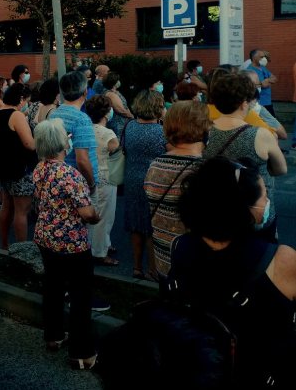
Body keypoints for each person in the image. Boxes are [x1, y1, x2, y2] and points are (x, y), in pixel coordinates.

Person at [168, 157, 296, 390]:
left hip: (200, 368)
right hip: (258, 375)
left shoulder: (180, 246)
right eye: (263, 195)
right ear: (241, 208)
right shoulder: (282, 259)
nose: (267, 200)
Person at [32, 118, 100, 370]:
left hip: (45, 236)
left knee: (53, 286)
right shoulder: (70, 175)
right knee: (81, 295)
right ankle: (82, 353)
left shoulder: (40, 168)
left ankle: (54, 335)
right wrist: (96, 215)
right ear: (63, 143)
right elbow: (86, 213)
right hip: (71, 243)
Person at [202, 72, 286, 241]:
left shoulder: (205, 130)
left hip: (219, 209)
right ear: (243, 103)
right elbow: (280, 169)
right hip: (255, 212)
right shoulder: (260, 134)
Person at [144, 100, 209, 278]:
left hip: (165, 259)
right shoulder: (207, 170)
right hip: (198, 263)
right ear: (203, 127)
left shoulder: (155, 164)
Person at [122, 90, 167, 280]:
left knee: (135, 224)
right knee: (151, 225)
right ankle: (153, 270)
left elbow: (124, 149)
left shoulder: (129, 126)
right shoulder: (161, 131)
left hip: (132, 178)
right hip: (154, 179)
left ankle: (137, 266)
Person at [0, 83, 37, 249]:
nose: (27, 104)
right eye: (27, 101)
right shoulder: (16, 115)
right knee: (21, 211)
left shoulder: (0, 113)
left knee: (6, 206)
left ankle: (4, 244)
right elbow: (29, 144)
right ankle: (22, 248)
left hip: (3, 168)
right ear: (21, 99)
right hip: (19, 168)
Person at [50, 71, 98, 197]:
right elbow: (82, 160)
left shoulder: (54, 114)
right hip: (79, 184)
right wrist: (91, 184)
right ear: (85, 92)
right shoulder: (82, 119)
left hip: (59, 178)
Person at [84, 95, 120, 266]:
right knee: (105, 216)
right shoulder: (109, 134)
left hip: (90, 175)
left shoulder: (86, 129)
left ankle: (97, 245)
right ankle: (100, 252)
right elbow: (117, 152)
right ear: (106, 113)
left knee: (92, 213)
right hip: (106, 176)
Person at [246, 49, 277, 116]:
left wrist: (266, 80)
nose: (264, 59)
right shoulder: (250, 70)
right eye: (261, 57)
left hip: (268, 101)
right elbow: (262, 85)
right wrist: (267, 81)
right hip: (259, 103)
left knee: (272, 123)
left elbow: (274, 79)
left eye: (264, 57)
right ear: (254, 58)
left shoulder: (263, 68)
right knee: (269, 123)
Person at [102, 72, 133, 138]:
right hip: (118, 124)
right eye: (117, 80)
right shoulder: (111, 94)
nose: (119, 81)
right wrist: (132, 117)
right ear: (113, 82)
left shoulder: (114, 92)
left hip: (121, 123)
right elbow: (120, 110)